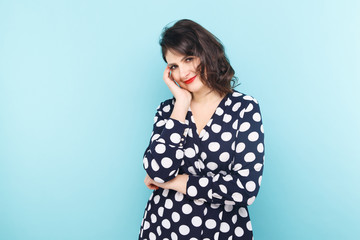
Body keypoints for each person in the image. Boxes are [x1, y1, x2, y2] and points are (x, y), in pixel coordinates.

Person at [138, 19, 265, 240]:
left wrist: (174, 182)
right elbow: (158, 170)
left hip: (223, 231)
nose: (183, 72)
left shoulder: (244, 108)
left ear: (207, 53)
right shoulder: (167, 110)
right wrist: (180, 103)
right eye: (174, 66)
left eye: (188, 58)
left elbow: (245, 188)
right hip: (164, 228)